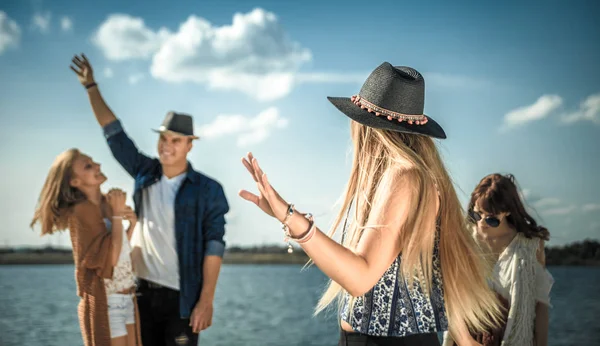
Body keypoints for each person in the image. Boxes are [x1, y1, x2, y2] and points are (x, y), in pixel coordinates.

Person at [239, 62, 503, 346]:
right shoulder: (416, 179)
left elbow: (361, 276)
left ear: (365, 125)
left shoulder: (403, 177)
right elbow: (440, 267)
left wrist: (290, 217)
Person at [70, 53, 230, 346]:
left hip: (181, 299)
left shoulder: (208, 189)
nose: (167, 146)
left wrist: (206, 300)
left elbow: (214, 246)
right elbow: (114, 135)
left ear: (189, 145)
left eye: (176, 140)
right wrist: (91, 86)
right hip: (139, 293)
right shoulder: (145, 172)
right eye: (164, 138)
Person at [30, 149, 141, 346]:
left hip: (127, 296)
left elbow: (119, 250)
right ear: (75, 182)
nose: (98, 166)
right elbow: (108, 260)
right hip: (106, 301)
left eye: (94, 162)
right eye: (88, 166)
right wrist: (116, 216)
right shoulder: (81, 211)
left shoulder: (107, 203)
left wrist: (131, 226)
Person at [443, 173, 553, 346]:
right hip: (465, 338)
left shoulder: (531, 247)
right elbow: (451, 297)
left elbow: (540, 306)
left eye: (492, 219)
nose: (482, 223)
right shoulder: (463, 239)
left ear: (508, 211)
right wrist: (467, 342)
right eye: (477, 214)